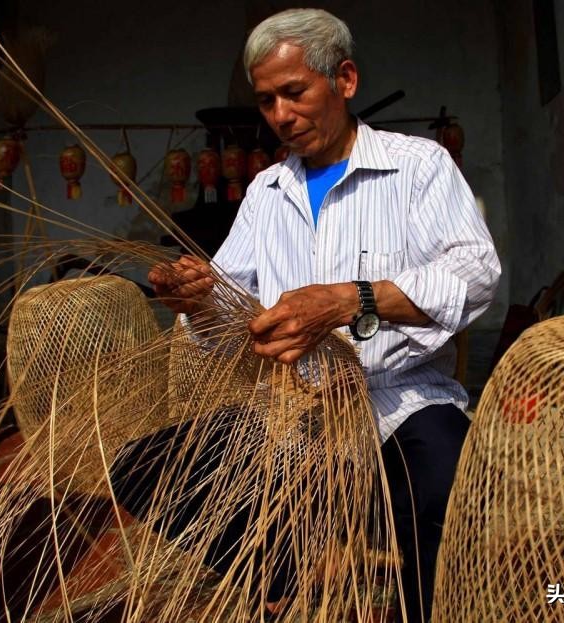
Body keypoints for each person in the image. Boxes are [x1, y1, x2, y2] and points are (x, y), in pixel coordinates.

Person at [141, 8, 500, 621]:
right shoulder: (266, 192)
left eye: (294, 93)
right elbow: (229, 311)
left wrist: (348, 299)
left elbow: (475, 276)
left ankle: (425, 608)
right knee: (149, 468)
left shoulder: (419, 168)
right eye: (266, 101)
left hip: (399, 399)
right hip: (295, 409)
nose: (281, 116)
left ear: (346, 80)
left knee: (446, 491)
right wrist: (199, 300)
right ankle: (297, 570)